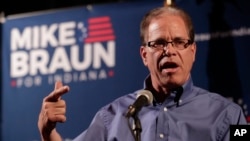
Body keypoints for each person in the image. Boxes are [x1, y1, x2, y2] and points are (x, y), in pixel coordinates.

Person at [38, 5, 247, 141]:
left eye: (179, 42)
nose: (169, 50)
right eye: (158, 43)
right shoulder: (113, 117)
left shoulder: (229, 115)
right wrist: (47, 132)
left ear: (192, 51)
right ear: (144, 55)